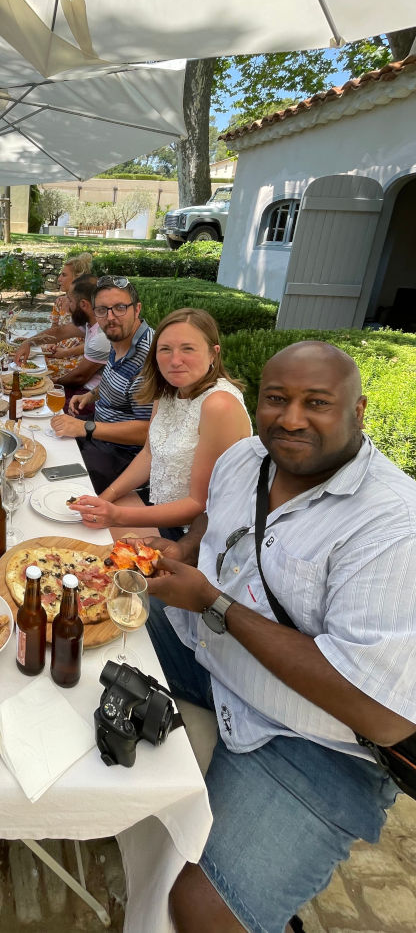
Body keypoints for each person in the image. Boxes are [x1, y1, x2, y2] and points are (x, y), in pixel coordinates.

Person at [144, 341, 416, 933]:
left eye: (316, 402)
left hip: (312, 739)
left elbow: (383, 716)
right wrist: (185, 550)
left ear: (358, 410)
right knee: (97, 613)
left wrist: (214, 603)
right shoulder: (244, 457)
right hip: (205, 651)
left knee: (198, 911)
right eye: (276, 399)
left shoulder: (394, 525)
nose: (291, 418)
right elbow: (215, 519)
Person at [72, 309, 250, 538]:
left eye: (188, 349)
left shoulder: (218, 405)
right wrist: (106, 497)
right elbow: (148, 454)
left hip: (196, 535)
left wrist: (116, 515)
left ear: (213, 354)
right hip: (157, 503)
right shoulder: (168, 390)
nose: (175, 361)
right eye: (165, 349)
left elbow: (198, 504)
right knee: (78, 521)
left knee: (88, 547)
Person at [50, 275, 153, 490]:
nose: (110, 317)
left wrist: (85, 427)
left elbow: (147, 432)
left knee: (56, 480)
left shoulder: (148, 357)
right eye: (102, 310)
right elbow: (117, 381)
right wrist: (92, 395)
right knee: (45, 439)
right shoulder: (119, 339)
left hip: (122, 455)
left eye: (120, 308)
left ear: (137, 309)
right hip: (99, 433)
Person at [13, 253, 92, 366]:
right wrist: (52, 343)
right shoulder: (59, 302)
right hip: (57, 352)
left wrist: (66, 352)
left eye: (64, 275)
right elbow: (56, 330)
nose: (59, 279)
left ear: (77, 278)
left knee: (31, 368)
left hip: (76, 358)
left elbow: (93, 343)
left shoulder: (87, 306)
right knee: (22, 361)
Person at [49, 274, 111, 412]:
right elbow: (59, 332)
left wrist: (53, 383)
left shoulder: (102, 335)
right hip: (85, 389)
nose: (68, 306)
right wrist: (29, 342)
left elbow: (79, 377)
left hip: (91, 399)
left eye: (70, 301)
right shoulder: (92, 323)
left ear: (84, 304)